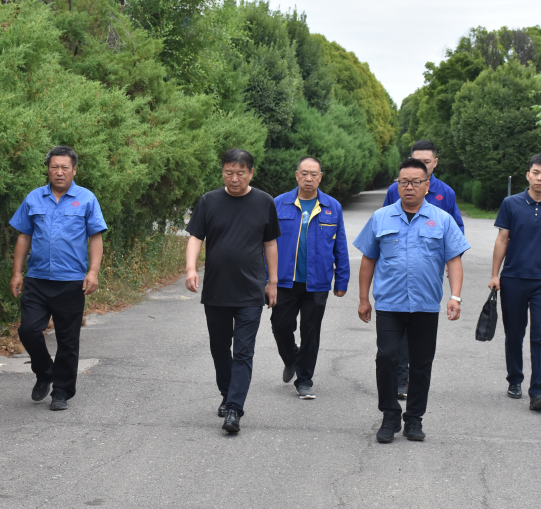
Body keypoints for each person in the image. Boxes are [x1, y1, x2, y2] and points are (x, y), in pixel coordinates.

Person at [354, 157, 469, 443]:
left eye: (416, 182)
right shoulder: (381, 217)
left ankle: (414, 418)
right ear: (397, 184)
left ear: (427, 185)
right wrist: (363, 299)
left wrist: (455, 296)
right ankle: (390, 414)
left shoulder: (441, 220)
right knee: (386, 356)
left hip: (425, 305)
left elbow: (454, 260)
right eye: (404, 182)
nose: (409, 187)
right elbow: (368, 260)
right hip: (389, 305)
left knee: (421, 362)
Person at [185, 149, 281, 434]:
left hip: (250, 290)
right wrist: (190, 269)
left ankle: (234, 409)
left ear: (251, 173)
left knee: (243, 351)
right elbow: (195, 237)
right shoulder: (209, 201)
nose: (234, 178)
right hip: (217, 289)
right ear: (223, 172)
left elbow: (270, 244)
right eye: (229, 172)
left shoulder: (264, 202)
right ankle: (227, 394)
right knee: (219, 348)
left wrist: (272, 282)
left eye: (240, 173)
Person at [9, 145, 107, 411]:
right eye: (54, 167)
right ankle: (44, 372)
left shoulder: (86, 199)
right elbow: (24, 236)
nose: (59, 172)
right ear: (48, 170)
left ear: (74, 170)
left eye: (65, 167)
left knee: (67, 340)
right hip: (37, 279)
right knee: (28, 330)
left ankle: (61, 392)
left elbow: (95, 237)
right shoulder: (34, 198)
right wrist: (17, 273)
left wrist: (93, 272)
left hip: (71, 281)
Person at [488, 154, 541, 411]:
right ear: (528, 175)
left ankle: (538, 392)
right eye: (535, 172)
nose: (539, 178)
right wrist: (495, 274)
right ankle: (515, 380)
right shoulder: (511, 203)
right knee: (514, 333)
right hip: (513, 278)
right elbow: (502, 239)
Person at [383, 140, 464, 401]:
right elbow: (383, 224)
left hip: (428, 272)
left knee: (418, 331)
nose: (421, 165)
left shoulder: (445, 193)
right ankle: (401, 376)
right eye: (417, 160)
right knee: (398, 331)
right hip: (397, 274)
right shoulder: (395, 190)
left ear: (435, 163)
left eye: (426, 162)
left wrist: (452, 262)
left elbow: (456, 229)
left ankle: (412, 385)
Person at [270, 157, 350, 400]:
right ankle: (291, 358)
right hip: (285, 280)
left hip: (317, 283)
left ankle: (304, 380)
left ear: (320, 177)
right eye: (304, 173)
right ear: (296, 175)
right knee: (280, 325)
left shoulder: (332, 206)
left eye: (313, 174)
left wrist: (342, 280)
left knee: (311, 331)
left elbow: (340, 246)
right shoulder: (279, 204)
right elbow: (266, 243)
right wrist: (266, 278)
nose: (308, 178)